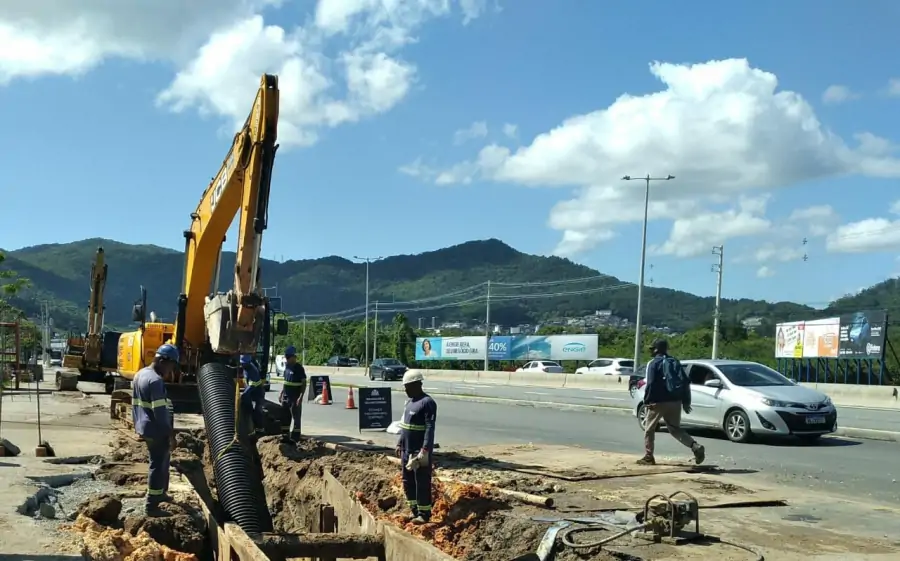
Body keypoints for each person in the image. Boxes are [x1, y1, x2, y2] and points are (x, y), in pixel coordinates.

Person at [639, 339, 705, 466]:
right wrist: (686, 401)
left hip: (658, 402)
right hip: (675, 401)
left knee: (649, 429)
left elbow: (651, 384)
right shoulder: (674, 361)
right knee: (675, 429)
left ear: (656, 350)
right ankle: (695, 446)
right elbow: (685, 381)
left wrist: (647, 400)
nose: (651, 351)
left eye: (652, 349)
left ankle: (648, 456)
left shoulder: (653, 363)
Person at [132, 343, 178, 514]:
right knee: (157, 464)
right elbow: (160, 413)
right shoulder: (155, 381)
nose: (170, 370)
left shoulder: (140, 374)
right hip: (155, 429)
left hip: (144, 425)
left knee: (162, 461)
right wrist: (170, 435)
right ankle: (152, 505)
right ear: (162, 361)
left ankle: (161, 493)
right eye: (170, 365)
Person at [395, 370, 437, 524]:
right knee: (408, 481)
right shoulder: (409, 403)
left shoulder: (427, 403)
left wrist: (425, 449)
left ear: (417, 384)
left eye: (407, 387)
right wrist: (400, 442)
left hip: (419, 452)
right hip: (406, 450)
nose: (405, 390)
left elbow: (429, 428)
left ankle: (424, 514)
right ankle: (414, 510)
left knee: (422, 482)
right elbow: (405, 426)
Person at [279, 345, 307, 442]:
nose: (287, 359)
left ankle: (295, 438)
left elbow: (304, 383)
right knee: (285, 417)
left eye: (288, 357)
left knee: (296, 417)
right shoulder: (287, 367)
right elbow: (286, 382)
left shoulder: (299, 368)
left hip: (295, 397)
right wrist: (281, 393)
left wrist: (301, 397)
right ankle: (285, 436)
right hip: (286, 397)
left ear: (293, 357)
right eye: (286, 357)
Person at [240, 354, 266, 436]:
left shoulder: (252, 370)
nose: (242, 365)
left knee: (257, 410)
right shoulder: (245, 368)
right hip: (251, 393)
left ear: (248, 362)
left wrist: (243, 394)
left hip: (258, 393)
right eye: (241, 363)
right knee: (248, 409)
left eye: (243, 363)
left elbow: (252, 386)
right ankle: (250, 429)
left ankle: (260, 430)